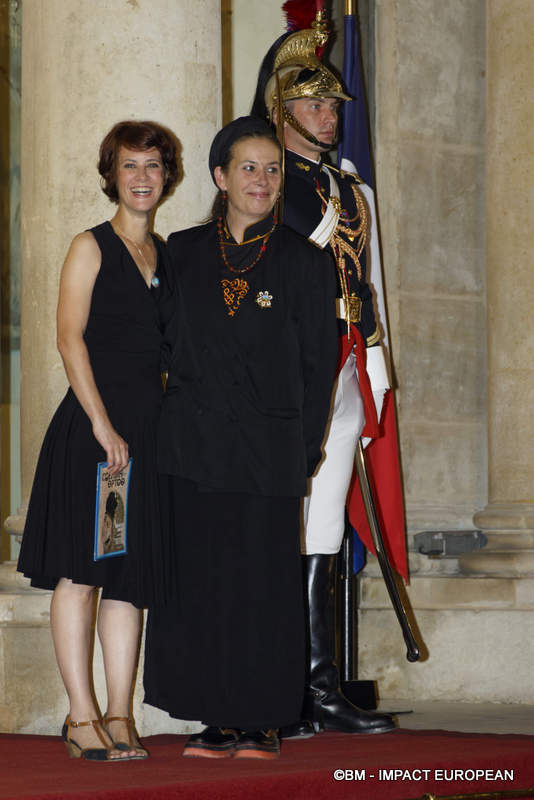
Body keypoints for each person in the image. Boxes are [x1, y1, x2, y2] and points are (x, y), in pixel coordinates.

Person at [143, 116, 337, 760]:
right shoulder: (183, 252)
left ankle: (261, 721)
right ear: (221, 178)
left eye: (273, 169)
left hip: (269, 452)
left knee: (262, 587)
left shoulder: (308, 263)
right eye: (248, 167)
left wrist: (302, 448)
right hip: (192, 451)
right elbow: (157, 346)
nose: (262, 179)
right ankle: (214, 717)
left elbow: (318, 365)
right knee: (202, 585)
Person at [251, 10, 397, 736]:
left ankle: (317, 689)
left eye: (333, 104)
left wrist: (376, 362)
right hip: (287, 372)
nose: (328, 115)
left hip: (343, 367)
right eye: (311, 103)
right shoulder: (264, 186)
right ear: (281, 112)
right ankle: (274, 687)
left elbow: (367, 279)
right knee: (279, 522)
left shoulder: (354, 192)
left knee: (323, 529)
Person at [17, 120, 179, 761]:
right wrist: (103, 425)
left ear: (168, 177)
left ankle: (119, 712)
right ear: (111, 175)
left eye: (153, 166)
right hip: (97, 436)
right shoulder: (91, 245)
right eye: (130, 166)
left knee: (128, 578)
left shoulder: (164, 253)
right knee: (83, 573)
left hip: (145, 434)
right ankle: (79, 715)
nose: (142, 178)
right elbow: (68, 337)